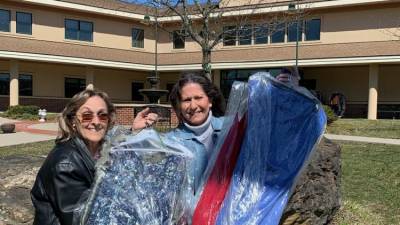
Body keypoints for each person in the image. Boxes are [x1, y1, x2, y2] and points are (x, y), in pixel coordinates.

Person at [31, 89, 116, 225]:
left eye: (102, 116)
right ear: (73, 121)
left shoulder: (100, 149)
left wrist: (135, 131)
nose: (96, 122)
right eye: (87, 116)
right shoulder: (65, 164)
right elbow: (81, 219)